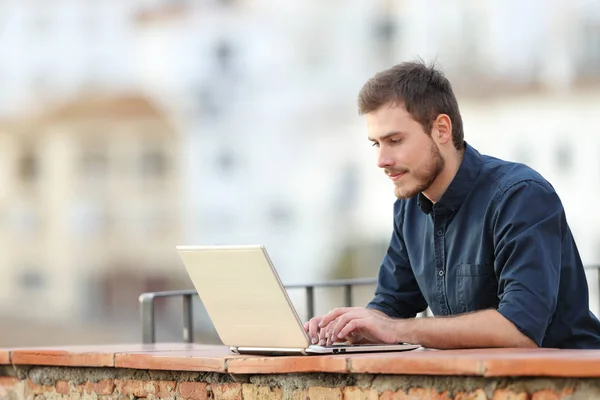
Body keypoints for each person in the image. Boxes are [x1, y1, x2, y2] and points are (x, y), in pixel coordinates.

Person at [304, 60, 600, 349]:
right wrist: (352, 326)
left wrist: (396, 329)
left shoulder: (521, 196)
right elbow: (391, 305)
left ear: (442, 129)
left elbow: (520, 328)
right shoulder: (408, 209)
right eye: (376, 144)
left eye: (394, 140)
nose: (382, 160)